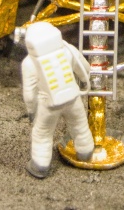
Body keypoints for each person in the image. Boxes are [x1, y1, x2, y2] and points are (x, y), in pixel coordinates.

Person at [21, 22, 95, 178]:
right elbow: (84, 67)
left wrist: (31, 111)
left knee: (42, 134)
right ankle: (86, 152)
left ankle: (40, 165)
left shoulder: (29, 63)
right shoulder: (68, 50)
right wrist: (84, 80)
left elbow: (29, 93)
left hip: (48, 105)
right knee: (80, 126)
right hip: (73, 98)